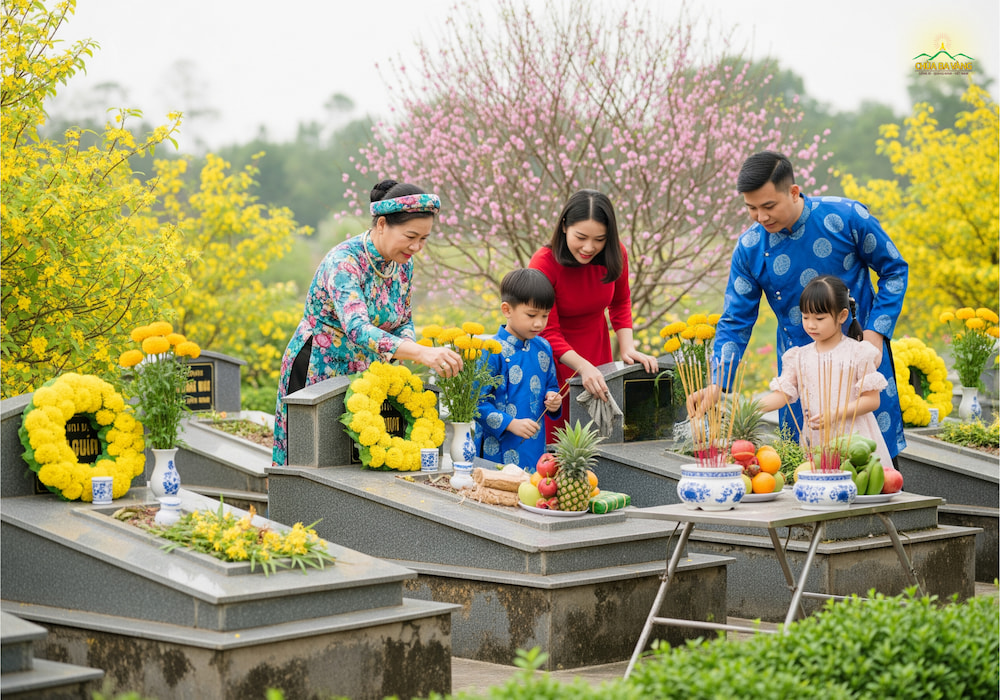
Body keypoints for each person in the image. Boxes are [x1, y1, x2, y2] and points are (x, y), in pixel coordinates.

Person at [689, 151, 908, 464]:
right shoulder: (750, 247)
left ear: (794, 192)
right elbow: (736, 320)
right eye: (751, 208)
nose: (761, 217)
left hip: (862, 359)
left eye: (768, 206)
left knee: (877, 465)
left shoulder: (845, 217)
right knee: (807, 465)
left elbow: (894, 269)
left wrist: (876, 331)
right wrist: (717, 383)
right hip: (800, 372)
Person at [271, 179, 462, 467]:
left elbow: (403, 319)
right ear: (382, 224)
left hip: (368, 374)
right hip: (319, 368)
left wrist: (409, 344)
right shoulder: (344, 262)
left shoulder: (402, 263)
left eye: (424, 239)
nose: (417, 247)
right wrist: (421, 353)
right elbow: (357, 328)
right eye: (411, 236)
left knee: (357, 463)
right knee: (309, 462)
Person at [529, 189, 659, 441]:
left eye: (599, 239)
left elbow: (620, 302)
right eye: (581, 237)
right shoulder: (544, 263)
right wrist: (583, 367)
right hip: (554, 361)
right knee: (559, 437)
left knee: (599, 434)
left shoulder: (614, 254)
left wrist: (628, 348)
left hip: (597, 355)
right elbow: (547, 330)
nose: (589, 247)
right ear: (564, 226)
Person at [754, 276, 893, 467]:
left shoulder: (859, 352)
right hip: (818, 442)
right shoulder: (798, 356)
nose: (811, 324)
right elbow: (782, 395)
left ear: (842, 316)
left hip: (856, 441)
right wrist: (749, 409)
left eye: (819, 318)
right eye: (805, 317)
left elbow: (872, 400)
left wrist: (835, 414)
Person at [475, 269, 563, 471]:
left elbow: (551, 384)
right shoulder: (491, 351)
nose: (539, 323)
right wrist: (510, 423)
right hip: (497, 449)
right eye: (531, 315)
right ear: (507, 310)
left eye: (545, 315)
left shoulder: (543, 347)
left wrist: (553, 398)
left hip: (534, 445)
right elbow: (477, 404)